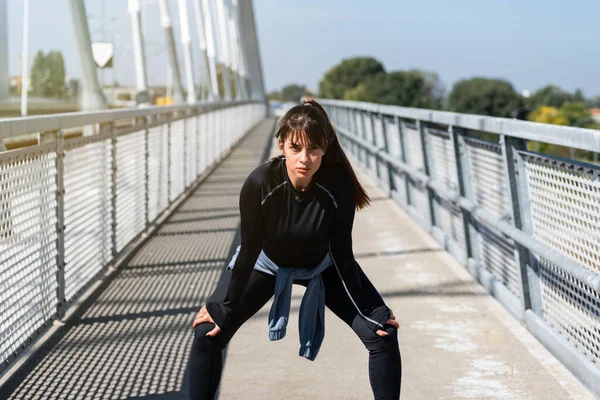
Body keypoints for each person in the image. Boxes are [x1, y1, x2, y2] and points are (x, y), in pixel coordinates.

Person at [187, 100, 402, 399]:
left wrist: (371, 309)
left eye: (313, 149)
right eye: (296, 148)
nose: (305, 158)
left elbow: (342, 253)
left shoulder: (337, 185)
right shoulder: (260, 183)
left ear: (325, 148)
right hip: (265, 264)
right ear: (281, 145)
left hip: (322, 266)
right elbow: (248, 251)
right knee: (207, 334)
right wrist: (223, 305)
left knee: (383, 335)